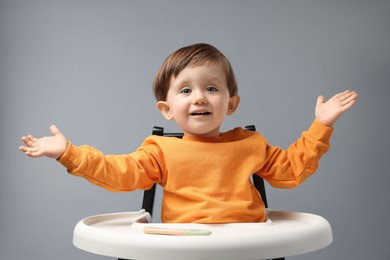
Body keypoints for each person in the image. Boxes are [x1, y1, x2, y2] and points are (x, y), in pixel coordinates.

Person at [19, 43, 358, 223]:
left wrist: (321, 125)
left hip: (247, 243)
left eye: (211, 88)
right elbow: (118, 173)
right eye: (185, 91)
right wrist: (68, 153)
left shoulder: (251, 144)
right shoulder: (161, 150)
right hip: (184, 243)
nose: (198, 97)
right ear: (166, 110)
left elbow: (291, 171)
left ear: (231, 104)